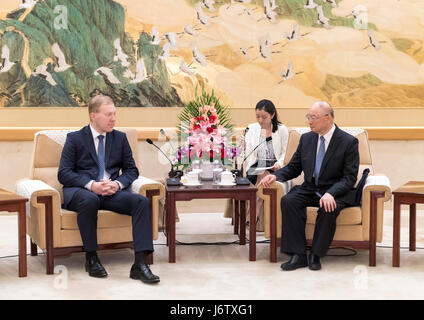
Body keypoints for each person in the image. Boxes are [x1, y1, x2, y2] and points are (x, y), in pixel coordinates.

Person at [58, 94, 160, 284]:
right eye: (108, 114)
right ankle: (91, 257)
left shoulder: (120, 138)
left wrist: (118, 184)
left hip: (110, 191)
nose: (113, 119)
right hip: (81, 192)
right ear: (93, 116)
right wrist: (91, 185)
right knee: (90, 199)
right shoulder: (75, 139)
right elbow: (64, 174)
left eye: (114, 114)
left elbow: (132, 170)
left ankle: (140, 264)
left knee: (141, 202)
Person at [260, 101, 359, 271]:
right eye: (308, 117)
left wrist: (332, 193)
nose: (309, 121)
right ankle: (298, 255)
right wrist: (275, 176)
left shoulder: (348, 142)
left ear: (328, 118)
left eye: (313, 117)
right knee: (289, 201)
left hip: (335, 190)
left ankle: (316, 254)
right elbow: (294, 167)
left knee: (328, 208)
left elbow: (349, 178)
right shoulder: (307, 138)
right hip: (310, 188)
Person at [244, 99, 288, 230]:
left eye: (264, 117)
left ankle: (254, 210)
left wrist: (279, 164)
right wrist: (244, 147)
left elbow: (286, 151)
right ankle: (256, 208)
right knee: (260, 173)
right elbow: (250, 154)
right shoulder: (252, 128)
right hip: (257, 164)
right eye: (257, 116)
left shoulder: (281, 129)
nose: (260, 120)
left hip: (274, 166)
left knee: (264, 175)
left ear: (272, 115)